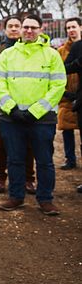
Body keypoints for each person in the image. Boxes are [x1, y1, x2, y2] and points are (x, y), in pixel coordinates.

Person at [0, 14, 67, 215]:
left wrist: (35, 111)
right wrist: (12, 108)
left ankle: (45, 199)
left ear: (41, 30)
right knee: (15, 159)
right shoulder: (7, 55)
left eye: (33, 27)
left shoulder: (51, 55)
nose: (28, 31)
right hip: (12, 118)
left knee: (44, 160)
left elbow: (58, 86)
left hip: (42, 120)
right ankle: (16, 197)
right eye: (26, 27)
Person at [0, 15, 36, 194]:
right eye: (11, 26)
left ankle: (29, 179)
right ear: (5, 29)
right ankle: (0, 178)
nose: (14, 29)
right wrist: (7, 100)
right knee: (2, 143)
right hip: (4, 106)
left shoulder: (31, 51)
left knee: (28, 143)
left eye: (17, 26)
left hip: (28, 105)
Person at [58, 17, 81, 170]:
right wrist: (65, 93)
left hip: (80, 96)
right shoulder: (61, 51)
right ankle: (70, 159)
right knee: (67, 130)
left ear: (80, 27)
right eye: (68, 28)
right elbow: (58, 73)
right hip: (67, 96)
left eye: (73, 26)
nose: (71, 30)